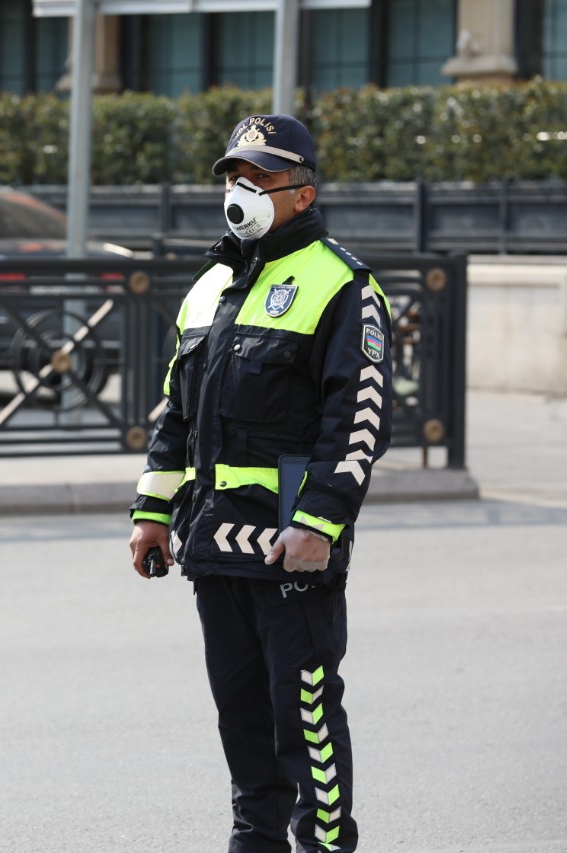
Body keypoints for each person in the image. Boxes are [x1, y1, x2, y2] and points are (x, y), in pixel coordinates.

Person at [127, 114, 394, 852]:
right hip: (213, 541)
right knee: (241, 717)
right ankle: (255, 840)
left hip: (290, 546)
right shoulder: (209, 285)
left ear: (301, 193)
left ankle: (326, 842)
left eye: (261, 177)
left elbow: (359, 421)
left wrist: (320, 523)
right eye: (234, 176)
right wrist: (152, 510)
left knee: (303, 712)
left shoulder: (342, 284)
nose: (241, 190)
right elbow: (174, 411)